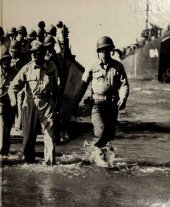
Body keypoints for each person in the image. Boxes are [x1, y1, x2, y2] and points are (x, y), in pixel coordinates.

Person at [8, 40, 59, 165]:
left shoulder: (52, 67)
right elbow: (13, 87)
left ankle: (49, 165)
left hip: (47, 103)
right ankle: (29, 163)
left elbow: (57, 89)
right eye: (32, 53)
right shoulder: (26, 68)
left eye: (36, 53)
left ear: (43, 53)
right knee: (28, 139)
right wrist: (14, 100)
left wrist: (57, 105)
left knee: (49, 136)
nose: (34, 55)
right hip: (30, 103)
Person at [73, 36, 129, 148]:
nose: (104, 52)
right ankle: (97, 156)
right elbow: (83, 86)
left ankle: (102, 159)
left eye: (107, 50)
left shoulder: (118, 66)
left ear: (111, 51)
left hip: (112, 106)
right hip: (96, 105)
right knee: (101, 131)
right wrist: (74, 103)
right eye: (102, 50)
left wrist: (123, 99)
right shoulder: (92, 66)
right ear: (98, 52)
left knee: (109, 136)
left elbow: (124, 85)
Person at [0, 51, 17, 157]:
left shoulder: (15, 73)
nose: (6, 62)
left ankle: (5, 151)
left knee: (7, 128)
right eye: (4, 60)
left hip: (10, 104)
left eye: (8, 59)